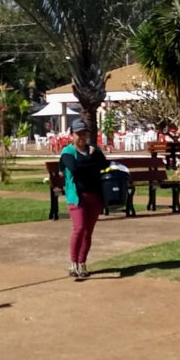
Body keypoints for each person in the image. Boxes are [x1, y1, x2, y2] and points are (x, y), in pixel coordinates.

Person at [60, 118, 107, 278]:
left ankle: (82, 263)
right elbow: (75, 169)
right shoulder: (67, 152)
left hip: (95, 195)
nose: (81, 136)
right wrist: (91, 160)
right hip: (77, 197)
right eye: (78, 133)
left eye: (84, 133)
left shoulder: (95, 151)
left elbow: (104, 165)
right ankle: (73, 263)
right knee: (79, 228)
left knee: (88, 232)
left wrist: (91, 161)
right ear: (71, 135)